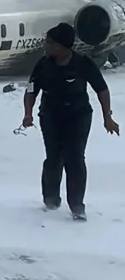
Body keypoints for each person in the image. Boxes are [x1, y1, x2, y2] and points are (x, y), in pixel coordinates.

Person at [22, 22, 119, 221]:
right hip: (50, 116)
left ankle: (76, 206)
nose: (45, 46)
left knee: (74, 159)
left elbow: (101, 89)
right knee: (53, 158)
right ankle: (50, 200)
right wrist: (28, 113)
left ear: (61, 46)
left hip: (78, 116)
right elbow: (31, 90)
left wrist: (107, 116)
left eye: (49, 42)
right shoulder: (43, 64)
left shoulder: (83, 63)